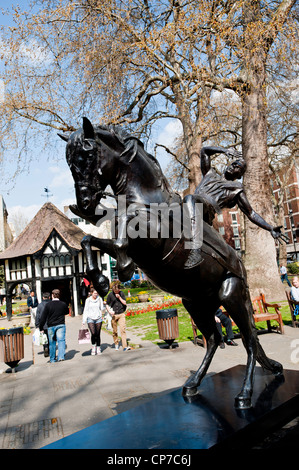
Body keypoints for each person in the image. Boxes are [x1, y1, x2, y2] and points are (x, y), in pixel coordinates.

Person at [185, 146, 288, 243]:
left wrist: (270, 228)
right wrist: (224, 150)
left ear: (239, 175)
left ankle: (194, 246)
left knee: (189, 198)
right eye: (233, 163)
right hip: (192, 206)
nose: (233, 166)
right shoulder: (209, 174)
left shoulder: (236, 188)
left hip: (206, 210)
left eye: (237, 167)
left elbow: (251, 213)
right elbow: (204, 151)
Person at [39, 289, 69, 363]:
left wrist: (41, 327)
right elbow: (67, 312)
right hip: (61, 324)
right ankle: (61, 357)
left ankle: (52, 359)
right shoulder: (63, 304)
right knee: (61, 341)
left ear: (52, 296)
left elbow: (43, 317)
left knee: (52, 342)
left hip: (51, 325)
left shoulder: (48, 305)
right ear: (59, 295)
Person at [106, 282, 130, 351]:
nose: (116, 292)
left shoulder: (121, 293)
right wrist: (109, 311)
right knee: (114, 331)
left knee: (123, 330)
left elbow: (125, 303)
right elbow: (107, 304)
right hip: (114, 315)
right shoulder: (110, 295)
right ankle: (116, 343)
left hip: (121, 314)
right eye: (115, 291)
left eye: (117, 291)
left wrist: (119, 297)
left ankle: (124, 346)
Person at [82, 288, 104, 355]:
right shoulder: (88, 300)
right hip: (90, 318)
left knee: (98, 334)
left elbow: (102, 308)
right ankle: (93, 347)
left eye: (97, 293)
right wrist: (84, 320)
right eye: (94, 293)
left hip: (98, 318)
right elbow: (86, 310)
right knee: (93, 333)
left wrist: (104, 304)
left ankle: (98, 347)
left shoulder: (99, 299)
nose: (96, 295)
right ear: (91, 293)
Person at [35, 292, 51, 357]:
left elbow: (38, 316)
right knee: (51, 338)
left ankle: (45, 347)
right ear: (49, 297)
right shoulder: (51, 304)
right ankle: (50, 349)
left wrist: (37, 325)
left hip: (43, 324)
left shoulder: (40, 305)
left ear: (43, 297)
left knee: (44, 337)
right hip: (51, 323)